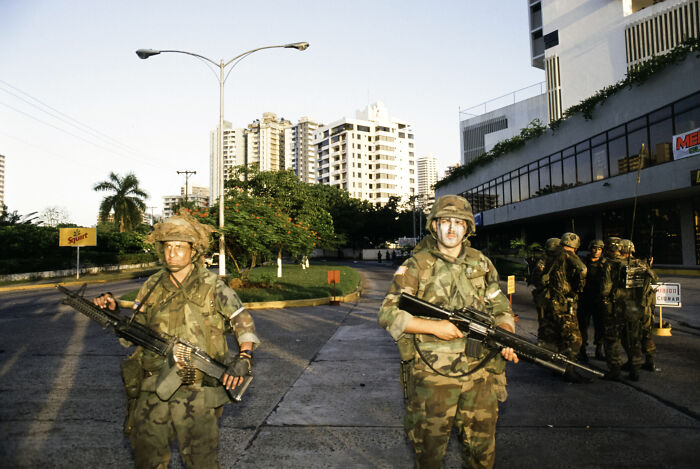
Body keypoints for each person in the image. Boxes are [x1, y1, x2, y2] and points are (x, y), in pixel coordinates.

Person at [93, 211, 260, 468]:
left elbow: (241, 319)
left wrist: (245, 356)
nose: (172, 253)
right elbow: (135, 329)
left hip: (198, 391)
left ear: (193, 251)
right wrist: (113, 312)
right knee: (147, 458)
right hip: (154, 385)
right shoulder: (152, 284)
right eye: (168, 247)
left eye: (179, 247)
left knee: (200, 460)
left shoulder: (212, 285)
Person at [378, 195, 518, 469]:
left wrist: (505, 334)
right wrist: (435, 327)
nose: (451, 229)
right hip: (433, 379)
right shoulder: (416, 265)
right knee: (429, 456)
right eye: (445, 222)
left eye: (458, 223)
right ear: (434, 226)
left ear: (467, 228)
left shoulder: (482, 263)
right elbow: (387, 313)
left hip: (481, 376)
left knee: (482, 456)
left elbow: (501, 307)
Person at [540, 232, 588, 382]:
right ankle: (570, 371)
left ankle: (557, 367)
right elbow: (583, 269)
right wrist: (579, 287)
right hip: (564, 303)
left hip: (550, 302)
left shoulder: (551, 255)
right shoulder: (569, 255)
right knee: (573, 339)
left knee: (556, 336)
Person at [578, 239, 606, 361]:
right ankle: (582, 350)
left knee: (600, 326)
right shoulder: (583, 262)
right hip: (584, 299)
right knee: (582, 326)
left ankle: (598, 350)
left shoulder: (605, 264)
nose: (596, 251)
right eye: (594, 248)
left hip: (598, 300)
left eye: (599, 249)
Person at [530, 238, 561, 350]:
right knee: (544, 322)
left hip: (555, 297)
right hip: (544, 297)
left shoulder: (559, 260)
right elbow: (536, 278)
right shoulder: (543, 261)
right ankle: (543, 344)